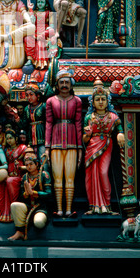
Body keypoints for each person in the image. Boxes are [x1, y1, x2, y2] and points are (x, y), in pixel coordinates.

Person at [45, 69, 83, 217]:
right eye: (62, 82)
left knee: (70, 178)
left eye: (67, 82)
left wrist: (80, 148)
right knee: (58, 178)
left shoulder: (77, 101)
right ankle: (59, 209)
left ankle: (68, 209)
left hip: (73, 142)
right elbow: (48, 123)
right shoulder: (51, 101)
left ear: (71, 84)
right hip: (55, 142)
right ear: (57, 85)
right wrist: (47, 147)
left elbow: (79, 124)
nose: (64, 85)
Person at [83, 83, 125, 214]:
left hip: (106, 144)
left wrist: (120, 134)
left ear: (108, 101)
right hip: (92, 147)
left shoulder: (113, 117)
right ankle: (94, 205)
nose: (100, 102)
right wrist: (87, 135)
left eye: (103, 99)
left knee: (103, 173)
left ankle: (106, 204)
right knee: (91, 175)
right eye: (97, 99)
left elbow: (120, 129)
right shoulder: (89, 117)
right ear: (93, 103)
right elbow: (84, 139)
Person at [8, 151, 52, 241]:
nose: (29, 166)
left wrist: (34, 193)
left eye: (31, 164)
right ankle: (19, 231)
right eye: (27, 164)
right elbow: (21, 195)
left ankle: (38, 220)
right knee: (15, 205)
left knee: (39, 222)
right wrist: (26, 194)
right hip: (28, 206)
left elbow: (49, 194)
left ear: (36, 164)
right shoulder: (25, 177)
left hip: (40, 207)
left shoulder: (44, 175)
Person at [0, 128, 27, 223]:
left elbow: (31, 164)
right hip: (7, 175)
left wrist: (21, 167)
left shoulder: (23, 148)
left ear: (16, 138)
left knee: (10, 181)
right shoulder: (6, 150)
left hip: (19, 176)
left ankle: (14, 209)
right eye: (7, 138)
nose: (9, 140)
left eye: (11, 138)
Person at [24, 0, 57, 71]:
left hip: (45, 33)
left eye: (42, 2)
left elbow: (52, 27)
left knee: (42, 41)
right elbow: (30, 22)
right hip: (34, 32)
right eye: (38, 2)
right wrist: (30, 10)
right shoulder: (34, 12)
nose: (40, 4)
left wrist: (44, 34)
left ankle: (47, 62)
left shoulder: (50, 13)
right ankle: (30, 60)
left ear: (46, 3)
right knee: (28, 38)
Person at [21, 81, 46, 161]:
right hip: (31, 139)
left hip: (42, 137)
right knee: (32, 159)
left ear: (38, 95)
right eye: (27, 95)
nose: (29, 97)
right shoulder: (26, 109)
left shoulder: (43, 106)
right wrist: (16, 117)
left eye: (31, 94)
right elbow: (24, 124)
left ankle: (44, 173)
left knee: (43, 159)